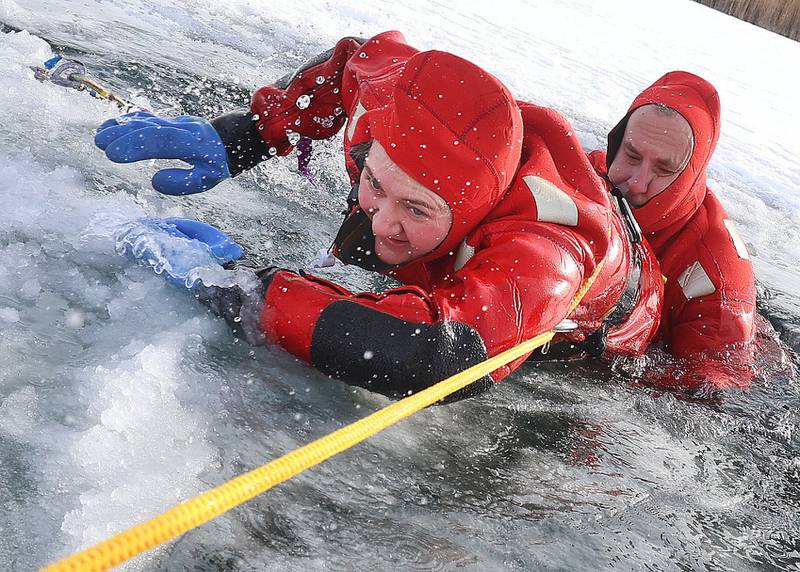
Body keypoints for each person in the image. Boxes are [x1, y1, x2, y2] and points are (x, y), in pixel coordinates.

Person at [97, 31, 663, 401]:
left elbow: (433, 355)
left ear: (468, 211)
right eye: (374, 183)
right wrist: (246, 135)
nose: (380, 219)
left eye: (417, 206)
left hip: (603, 321)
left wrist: (248, 288)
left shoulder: (547, 251)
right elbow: (353, 59)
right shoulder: (390, 108)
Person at [587, 71, 757, 389]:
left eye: (664, 170)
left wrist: (605, 357)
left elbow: (709, 396)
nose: (636, 183)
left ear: (690, 175)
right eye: (631, 155)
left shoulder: (718, 280)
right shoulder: (585, 174)